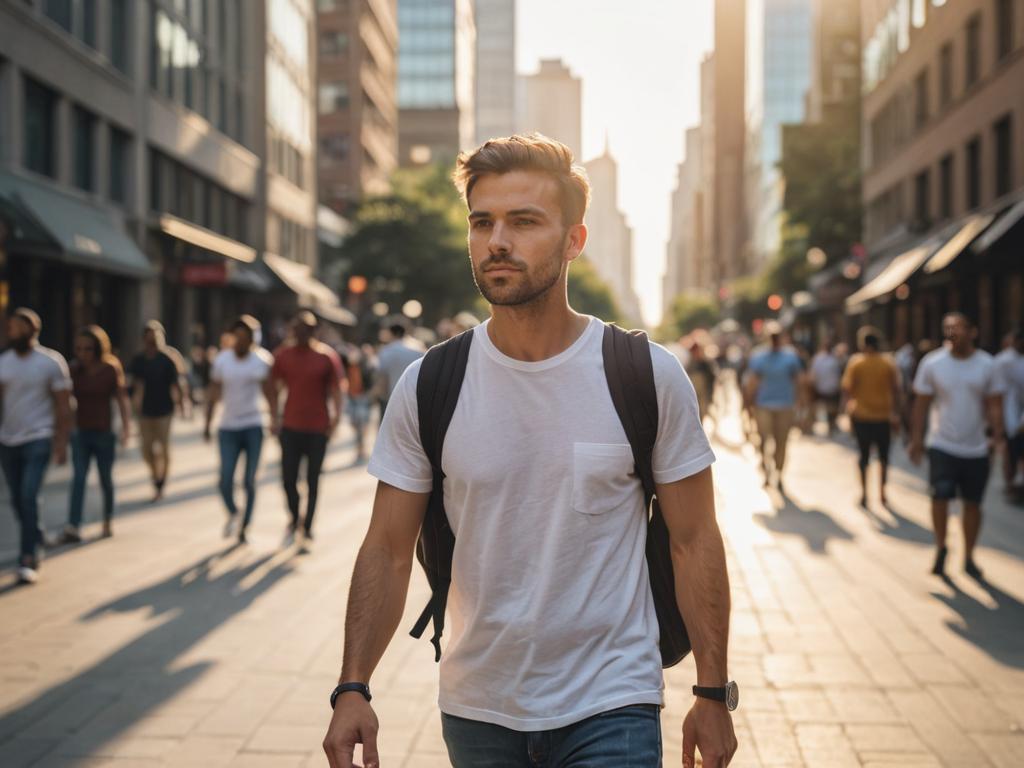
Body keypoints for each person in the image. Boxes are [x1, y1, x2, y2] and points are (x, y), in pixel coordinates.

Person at [323, 134, 737, 768]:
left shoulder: (644, 375)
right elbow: (386, 546)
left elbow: (694, 538)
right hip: (478, 704)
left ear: (574, 241)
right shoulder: (432, 383)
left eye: (523, 222)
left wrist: (712, 691)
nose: (497, 241)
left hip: (613, 698)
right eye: (482, 222)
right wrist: (353, 684)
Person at [910, 313, 1005, 578]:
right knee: (939, 495)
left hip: (976, 446)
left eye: (958, 328)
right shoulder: (933, 363)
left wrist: (997, 437)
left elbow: (995, 404)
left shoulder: (987, 365)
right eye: (947, 328)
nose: (952, 332)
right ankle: (941, 547)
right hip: (942, 443)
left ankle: (969, 555)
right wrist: (916, 439)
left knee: (972, 503)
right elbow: (921, 403)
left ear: (972, 332)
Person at [0, 308, 72, 584]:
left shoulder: (51, 362)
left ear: (32, 331)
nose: (11, 333)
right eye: (10, 329)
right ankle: (36, 534)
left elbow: (64, 404)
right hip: (8, 439)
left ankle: (28, 556)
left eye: (16, 328)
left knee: (29, 495)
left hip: (39, 437)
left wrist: (62, 441)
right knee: (18, 499)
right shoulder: (4, 362)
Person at [269, 311, 344, 546]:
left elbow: (336, 390)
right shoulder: (284, 355)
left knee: (313, 479)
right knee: (288, 478)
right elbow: (273, 386)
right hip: (290, 426)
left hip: (317, 428)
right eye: (298, 329)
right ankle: (294, 517)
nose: (302, 333)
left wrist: (336, 420)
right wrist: (273, 416)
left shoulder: (326, 357)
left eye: (307, 329)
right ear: (293, 331)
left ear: (314, 332)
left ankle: (308, 526)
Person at [204, 316, 275, 544]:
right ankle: (234, 512)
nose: (242, 341)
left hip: (254, 425)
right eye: (239, 336)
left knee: (249, 481)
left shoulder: (262, 360)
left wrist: (275, 418)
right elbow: (214, 391)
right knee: (225, 480)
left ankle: (244, 527)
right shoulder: (223, 360)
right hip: (228, 427)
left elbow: (270, 392)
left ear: (254, 339)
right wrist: (207, 422)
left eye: (247, 337)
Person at [63, 325, 132, 543]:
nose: (83, 353)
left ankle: (108, 519)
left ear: (99, 349)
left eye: (88, 349)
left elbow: (122, 399)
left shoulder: (111, 368)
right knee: (79, 478)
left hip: (104, 432)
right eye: (79, 348)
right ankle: (73, 525)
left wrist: (126, 428)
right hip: (80, 432)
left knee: (105, 479)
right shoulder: (73, 369)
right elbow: (63, 402)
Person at [127, 321, 190, 501]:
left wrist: (183, 403)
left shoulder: (168, 358)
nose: (152, 342)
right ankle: (155, 473)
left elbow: (178, 383)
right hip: (144, 411)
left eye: (155, 338)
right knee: (146, 449)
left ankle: (160, 481)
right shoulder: (139, 360)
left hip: (165, 410)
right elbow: (133, 384)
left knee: (163, 447)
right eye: (148, 339)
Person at [842, 329, 901, 508]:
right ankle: (882, 493)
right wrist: (897, 413)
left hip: (862, 416)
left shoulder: (856, 363)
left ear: (864, 344)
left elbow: (848, 388)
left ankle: (865, 493)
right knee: (884, 457)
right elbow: (897, 389)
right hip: (884, 416)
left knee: (863, 456)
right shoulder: (888, 363)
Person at [745, 322, 803, 491]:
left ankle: (778, 473)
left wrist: (802, 404)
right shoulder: (758, 357)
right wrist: (747, 405)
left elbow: (799, 380)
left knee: (782, 442)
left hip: (785, 405)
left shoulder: (791, 356)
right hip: (764, 405)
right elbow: (752, 382)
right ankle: (766, 470)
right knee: (763, 439)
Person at [373, 320, 425, 417]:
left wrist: (375, 396)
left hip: (391, 398)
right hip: (414, 399)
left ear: (391, 333)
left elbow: (383, 378)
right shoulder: (418, 350)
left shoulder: (386, 351)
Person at [340, 344, 375, 463]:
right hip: (351, 398)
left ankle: (361, 449)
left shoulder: (366, 367)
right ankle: (360, 447)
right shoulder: (348, 366)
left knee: (361, 425)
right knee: (355, 423)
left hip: (362, 398)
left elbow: (371, 381)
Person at [809, 341, 842, 435]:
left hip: (828, 387)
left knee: (831, 408)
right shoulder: (823, 359)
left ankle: (831, 425)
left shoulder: (832, 359)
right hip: (825, 387)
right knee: (828, 408)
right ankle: (829, 425)